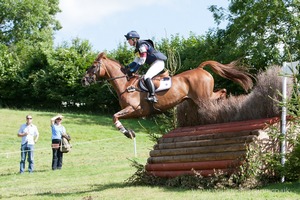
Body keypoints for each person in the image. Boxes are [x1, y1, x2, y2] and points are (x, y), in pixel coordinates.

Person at [124, 30, 167, 103]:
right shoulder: (138, 48)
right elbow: (136, 61)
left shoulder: (142, 46)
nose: (128, 41)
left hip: (158, 62)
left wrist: (133, 70)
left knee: (146, 77)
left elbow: (142, 60)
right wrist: (127, 67)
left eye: (129, 40)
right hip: (155, 63)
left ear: (134, 39)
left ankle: (153, 96)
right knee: (144, 77)